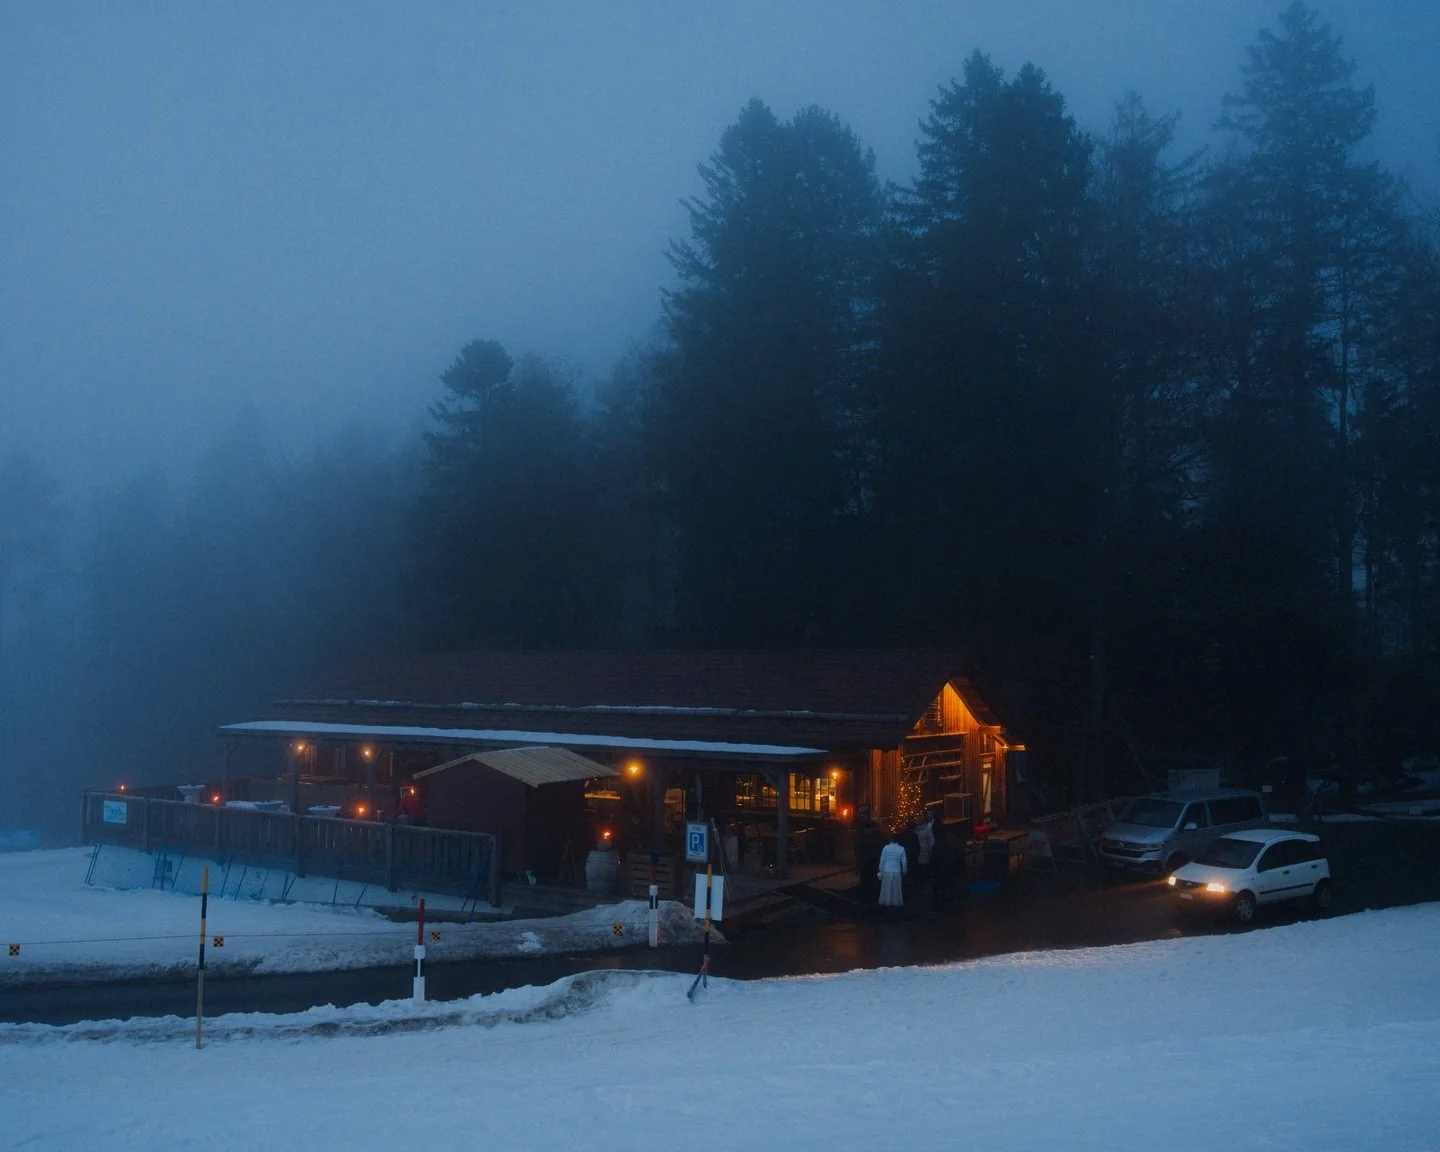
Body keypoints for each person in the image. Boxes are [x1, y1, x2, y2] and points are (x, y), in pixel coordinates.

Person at [877, 832, 908, 916]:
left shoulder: (886, 848)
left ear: (891, 839)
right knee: (896, 889)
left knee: (886, 888)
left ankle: (886, 904)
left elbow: (882, 860)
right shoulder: (901, 849)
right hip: (897, 870)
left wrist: (880, 870)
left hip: (887, 870)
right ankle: (895, 905)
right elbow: (904, 862)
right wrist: (904, 871)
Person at [929, 811, 954, 913]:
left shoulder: (935, 846)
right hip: (944, 865)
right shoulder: (946, 844)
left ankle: (938, 900)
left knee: (938, 882)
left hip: (938, 866)